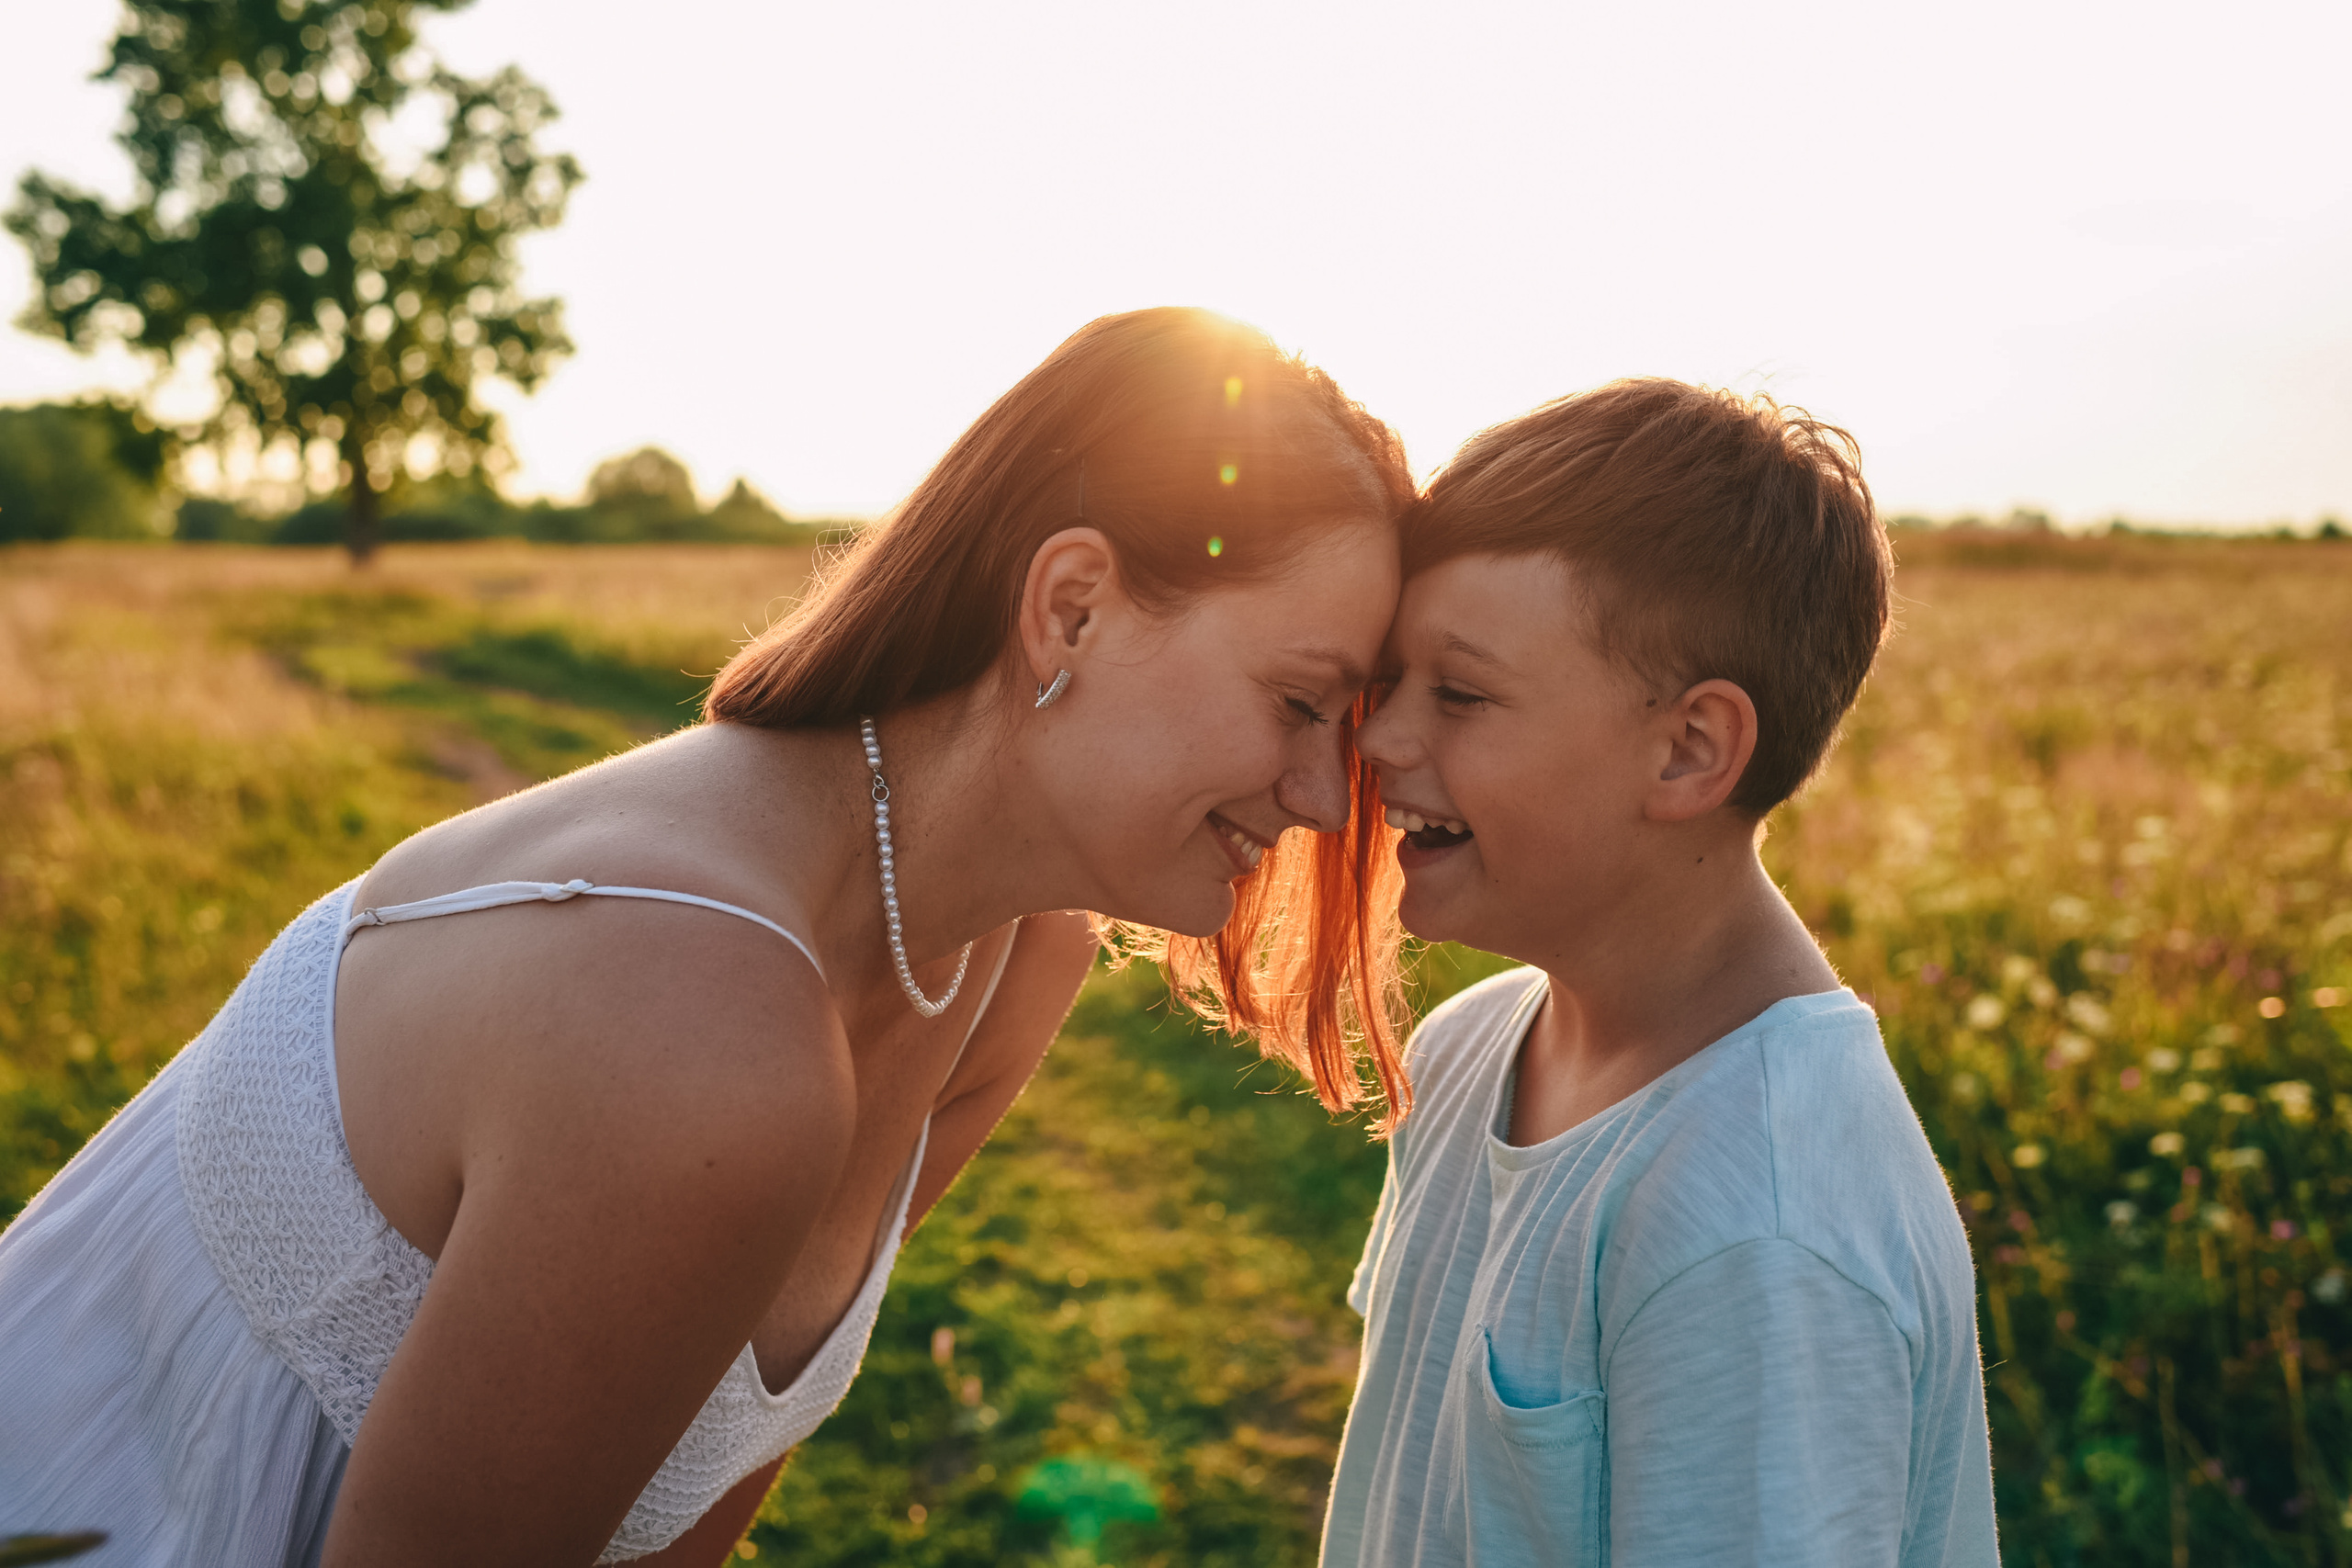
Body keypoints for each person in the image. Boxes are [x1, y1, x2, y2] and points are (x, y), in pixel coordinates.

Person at [0, 307, 1415, 1567]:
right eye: (1302, 703)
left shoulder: (1006, 957)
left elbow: (679, 1491)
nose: (1316, 796)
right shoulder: (693, 1020)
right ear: (1073, 608)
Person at [1324, 379, 1998, 1566]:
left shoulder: (1760, 1228)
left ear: (1689, 749)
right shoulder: (1470, 1045)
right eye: (1389, 681)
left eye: (1461, 695)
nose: (1377, 739)